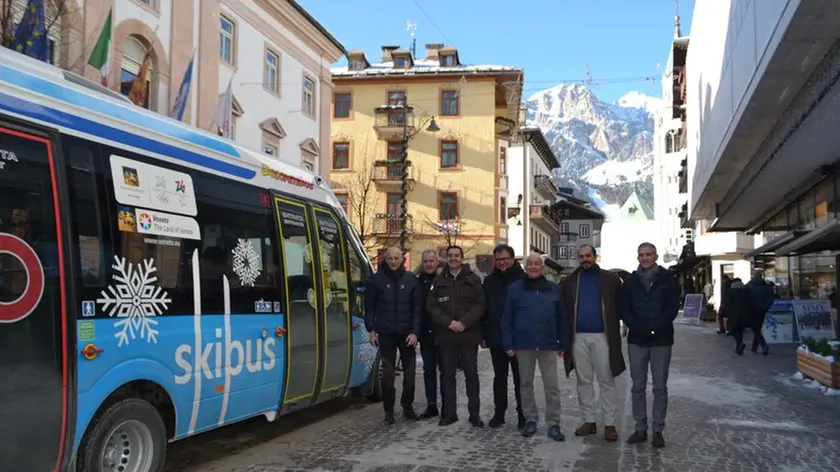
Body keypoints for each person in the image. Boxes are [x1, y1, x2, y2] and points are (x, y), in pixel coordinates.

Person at [561, 244, 626, 442]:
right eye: (581, 257)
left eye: (588, 255)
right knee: (584, 381)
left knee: (606, 380)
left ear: (595, 256)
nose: (585, 259)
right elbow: (563, 309)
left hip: (603, 336)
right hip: (578, 337)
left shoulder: (610, 280)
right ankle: (589, 420)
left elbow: (622, 306)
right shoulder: (571, 281)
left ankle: (609, 423)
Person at [501, 253, 569, 440]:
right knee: (525, 384)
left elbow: (561, 318)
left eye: (537, 264)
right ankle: (530, 419)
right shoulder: (515, 289)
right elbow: (506, 318)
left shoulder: (553, 289)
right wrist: (508, 343)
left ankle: (554, 423)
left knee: (552, 386)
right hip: (524, 344)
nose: (533, 266)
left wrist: (563, 342)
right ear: (525, 267)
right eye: (529, 263)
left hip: (548, 344)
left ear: (543, 267)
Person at [621, 242, 680, 448]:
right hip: (637, 340)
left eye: (648, 254)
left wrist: (654, 328)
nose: (644, 258)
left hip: (661, 339)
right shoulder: (630, 281)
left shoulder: (668, 279)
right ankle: (640, 428)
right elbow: (625, 309)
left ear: (655, 256)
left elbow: (672, 308)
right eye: (641, 255)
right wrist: (637, 326)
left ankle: (658, 430)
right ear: (637, 257)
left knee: (660, 387)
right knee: (637, 387)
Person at [426, 245, 486, 427]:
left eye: (456, 255)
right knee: (447, 375)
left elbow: (480, 305)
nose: (453, 258)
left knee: (471, 375)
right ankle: (448, 413)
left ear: (462, 258)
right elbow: (431, 306)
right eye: (450, 255)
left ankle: (474, 414)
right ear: (446, 258)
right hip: (446, 335)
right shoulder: (437, 281)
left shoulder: (474, 280)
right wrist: (448, 323)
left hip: (468, 334)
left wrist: (464, 322)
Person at [364, 246, 421, 424]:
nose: (394, 262)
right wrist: (371, 330)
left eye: (397, 258)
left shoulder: (411, 279)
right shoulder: (376, 279)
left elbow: (417, 308)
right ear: (385, 260)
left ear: (402, 260)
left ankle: (407, 406)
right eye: (390, 259)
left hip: (407, 335)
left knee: (410, 374)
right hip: (386, 333)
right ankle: (389, 411)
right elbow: (369, 307)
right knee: (387, 375)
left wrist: (415, 332)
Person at [481, 244, 526, 429]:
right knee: (499, 377)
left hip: (519, 338)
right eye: (498, 259)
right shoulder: (489, 281)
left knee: (520, 379)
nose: (502, 262)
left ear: (513, 258)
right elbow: (485, 310)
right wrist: (484, 335)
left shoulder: (523, 279)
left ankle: (523, 414)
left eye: (505, 259)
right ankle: (499, 413)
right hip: (496, 337)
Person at [416, 249, 445, 418]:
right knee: (428, 371)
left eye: (431, 261)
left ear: (437, 262)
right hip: (425, 334)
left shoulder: (444, 281)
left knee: (446, 372)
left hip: (443, 333)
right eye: (425, 261)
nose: (428, 264)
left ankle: (447, 405)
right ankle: (431, 404)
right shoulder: (417, 282)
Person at [745, 270, 774, 355]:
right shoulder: (766, 286)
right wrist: (766, 307)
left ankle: (764, 345)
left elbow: (745, 299)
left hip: (752, 310)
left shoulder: (749, 286)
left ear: (753, 276)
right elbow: (770, 299)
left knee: (755, 329)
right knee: (757, 328)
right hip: (762, 310)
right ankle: (754, 346)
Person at [723, 277, 752, 355]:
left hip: (733, 314)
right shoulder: (745, 291)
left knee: (733, 330)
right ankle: (738, 347)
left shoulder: (731, 291)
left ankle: (739, 344)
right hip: (743, 313)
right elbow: (749, 302)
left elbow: (727, 303)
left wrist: (725, 313)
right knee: (740, 330)